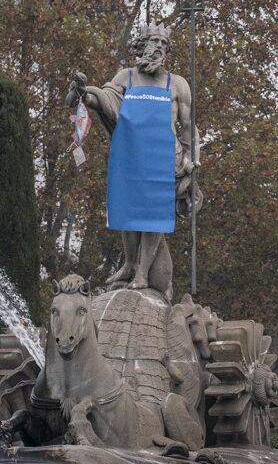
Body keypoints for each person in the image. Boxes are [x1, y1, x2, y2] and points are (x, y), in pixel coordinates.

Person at [67, 23, 200, 293]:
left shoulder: (177, 84)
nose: (158, 50)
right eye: (152, 44)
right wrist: (85, 92)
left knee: (154, 215)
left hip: (163, 159)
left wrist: (190, 158)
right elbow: (107, 100)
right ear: (140, 47)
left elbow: (188, 126)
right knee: (127, 211)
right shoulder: (125, 77)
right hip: (130, 155)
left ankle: (142, 272)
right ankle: (128, 263)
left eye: (162, 46)